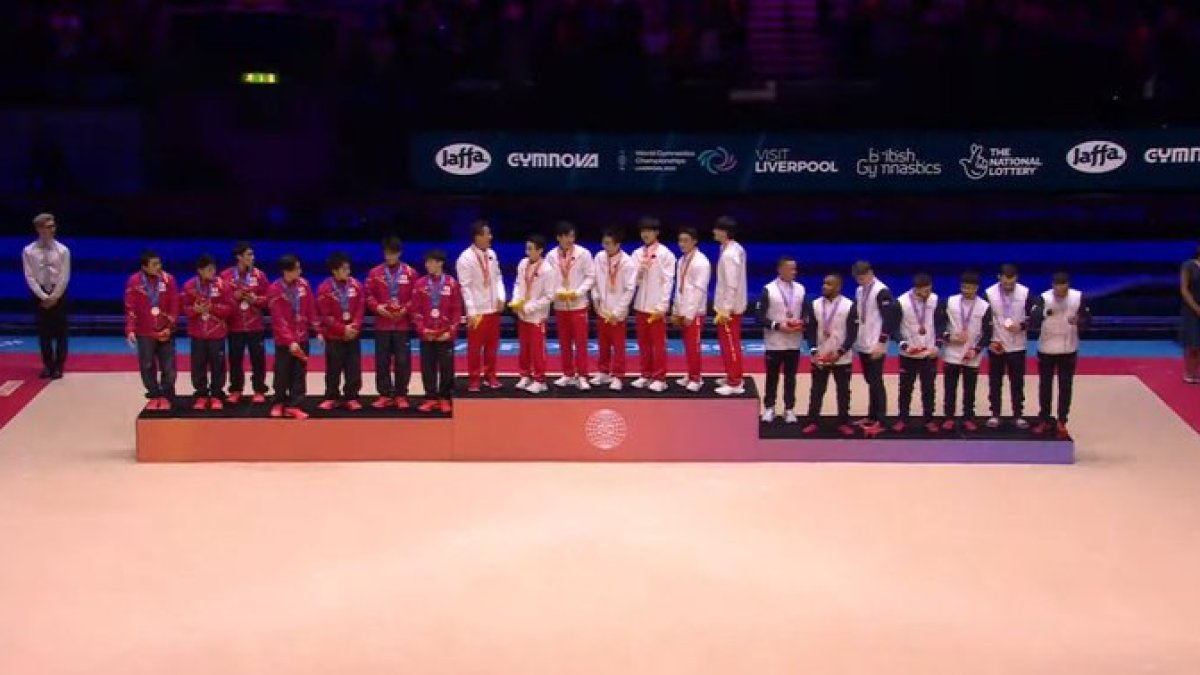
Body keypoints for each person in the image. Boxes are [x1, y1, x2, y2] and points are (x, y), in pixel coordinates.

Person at [1030, 271, 1091, 438]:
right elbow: (1033, 321)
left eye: (1063, 288)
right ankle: (1044, 419)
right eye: (1057, 287)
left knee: (1065, 387)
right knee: (1045, 385)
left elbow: (1088, 320)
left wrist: (1081, 321)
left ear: (1068, 285)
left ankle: (1062, 421)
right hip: (1047, 349)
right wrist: (1041, 314)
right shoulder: (1044, 298)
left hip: (1068, 349)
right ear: (1053, 285)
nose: (1060, 291)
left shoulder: (1078, 298)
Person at [366, 235, 420, 409]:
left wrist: (406, 309)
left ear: (399, 253)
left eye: (393, 253)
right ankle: (384, 394)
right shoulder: (375, 274)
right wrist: (378, 308)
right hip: (382, 325)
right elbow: (368, 296)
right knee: (382, 361)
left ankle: (401, 394)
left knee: (403, 361)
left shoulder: (411, 273)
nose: (389, 257)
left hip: (402, 325)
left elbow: (416, 296)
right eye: (387, 253)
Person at [801, 273, 858, 436]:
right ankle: (812, 421)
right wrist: (813, 350)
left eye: (829, 284)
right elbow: (810, 331)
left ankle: (843, 422)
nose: (824, 286)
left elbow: (852, 333)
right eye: (824, 283)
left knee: (843, 391)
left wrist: (840, 352)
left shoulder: (849, 306)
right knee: (817, 390)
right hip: (820, 356)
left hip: (842, 357)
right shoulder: (815, 305)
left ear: (838, 287)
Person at [124, 250, 179, 410]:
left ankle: (167, 395)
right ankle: (154, 394)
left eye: (159, 263)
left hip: (165, 329)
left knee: (168, 365)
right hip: (145, 331)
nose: (158, 267)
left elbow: (175, 305)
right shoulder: (134, 281)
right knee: (147, 365)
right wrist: (130, 330)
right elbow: (130, 308)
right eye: (154, 264)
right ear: (144, 267)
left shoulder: (169, 280)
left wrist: (170, 327)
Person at [267, 255, 320, 420]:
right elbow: (278, 319)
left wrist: (317, 330)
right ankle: (278, 402)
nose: (300, 271)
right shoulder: (275, 289)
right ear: (286, 271)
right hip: (284, 341)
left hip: (302, 337)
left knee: (299, 373)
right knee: (282, 372)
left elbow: (311, 308)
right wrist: (290, 341)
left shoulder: (304, 285)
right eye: (297, 269)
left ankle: (294, 405)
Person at [939, 271, 993, 432]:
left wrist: (975, 350)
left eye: (970, 288)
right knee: (950, 388)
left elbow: (988, 333)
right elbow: (939, 325)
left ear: (976, 288)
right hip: (951, 353)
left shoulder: (984, 306)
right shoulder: (950, 301)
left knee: (970, 389)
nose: (967, 291)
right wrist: (949, 337)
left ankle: (968, 417)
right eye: (964, 287)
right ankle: (949, 417)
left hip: (972, 354)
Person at [545, 220, 595, 390]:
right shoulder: (551, 256)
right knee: (564, 342)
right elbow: (548, 278)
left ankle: (582, 376)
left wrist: (578, 292)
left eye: (572, 235)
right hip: (560, 305)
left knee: (581, 343)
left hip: (578, 305)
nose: (570, 239)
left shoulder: (584, 254)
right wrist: (558, 291)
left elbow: (590, 277)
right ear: (558, 237)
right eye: (566, 236)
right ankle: (567, 373)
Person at [456, 219, 505, 391]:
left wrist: (501, 297)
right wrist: (471, 312)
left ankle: (490, 376)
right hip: (477, 311)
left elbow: (498, 277)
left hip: (493, 309)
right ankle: (474, 378)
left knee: (492, 346)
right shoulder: (465, 258)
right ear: (477, 237)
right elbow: (465, 287)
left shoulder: (492, 254)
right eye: (487, 234)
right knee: (475, 348)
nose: (490, 237)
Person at [412, 249, 463, 412]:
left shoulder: (451, 283)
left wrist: (451, 332)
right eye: (426, 262)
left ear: (439, 263)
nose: (427, 265)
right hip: (427, 334)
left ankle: (445, 397)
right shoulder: (420, 284)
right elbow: (416, 311)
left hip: (445, 334)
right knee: (427, 367)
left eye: (430, 262)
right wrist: (422, 330)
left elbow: (456, 310)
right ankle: (430, 397)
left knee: (447, 367)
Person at [756, 256, 806, 423]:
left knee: (791, 377)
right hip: (774, 342)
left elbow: (806, 313)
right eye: (791, 269)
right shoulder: (768, 289)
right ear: (780, 270)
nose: (794, 272)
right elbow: (759, 317)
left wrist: (801, 323)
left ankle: (789, 409)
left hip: (794, 341)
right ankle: (769, 408)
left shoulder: (800, 289)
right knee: (772, 376)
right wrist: (777, 325)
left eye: (795, 269)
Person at [985, 264, 1036, 427]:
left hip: (1017, 346)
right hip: (997, 344)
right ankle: (995, 414)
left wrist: (1021, 326)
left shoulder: (1025, 293)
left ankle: (1018, 415)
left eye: (1012, 282)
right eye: (1006, 282)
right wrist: (988, 342)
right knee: (995, 381)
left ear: (1016, 278)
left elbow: (1034, 317)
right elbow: (984, 321)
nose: (1009, 285)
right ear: (999, 277)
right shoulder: (989, 293)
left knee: (1017, 382)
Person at [181, 254, 234, 411]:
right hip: (197, 334)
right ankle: (201, 394)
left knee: (218, 365)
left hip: (216, 333)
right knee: (198, 365)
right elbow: (183, 308)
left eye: (214, 269)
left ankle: (217, 394)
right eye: (209, 269)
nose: (213, 272)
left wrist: (213, 308)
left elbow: (230, 309)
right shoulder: (189, 286)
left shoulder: (222, 285)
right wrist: (194, 310)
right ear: (200, 270)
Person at [220, 242, 270, 404]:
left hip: (255, 325)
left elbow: (268, 299)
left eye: (253, 254)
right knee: (235, 359)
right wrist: (233, 297)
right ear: (239, 257)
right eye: (249, 254)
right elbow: (220, 300)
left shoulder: (259, 275)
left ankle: (259, 390)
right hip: (235, 325)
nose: (252, 258)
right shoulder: (225, 276)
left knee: (258, 359)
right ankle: (235, 390)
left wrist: (255, 299)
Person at [630, 217, 677, 392]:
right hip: (641, 305)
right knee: (643, 343)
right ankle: (645, 374)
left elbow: (668, 281)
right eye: (643, 231)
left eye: (649, 231)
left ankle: (660, 377)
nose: (645, 234)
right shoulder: (636, 254)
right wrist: (638, 273)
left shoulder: (666, 254)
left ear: (656, 233)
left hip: (656, 307)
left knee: (658, 345)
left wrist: (663, 306)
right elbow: (630, 281)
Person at [892, 273, 942, 434]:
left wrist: (938, 346)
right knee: (905, 388)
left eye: (928, 290)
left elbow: (941, 325)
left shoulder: (935, 300)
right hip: (908, 354)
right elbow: (893, 329)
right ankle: (902, 419)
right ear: (914, 289)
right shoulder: (901, 302)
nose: (925, 294)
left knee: (928, 388)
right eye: (922, 291)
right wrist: (904, 345)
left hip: (929, 354)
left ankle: (929, 419)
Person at [851, 260, 898, 431]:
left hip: (876, 344)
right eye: (858, 278)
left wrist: (881, 342)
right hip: (863, 342)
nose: (860, 281)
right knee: (870, 380)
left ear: (870, 273)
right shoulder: (859, 290)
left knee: (876, 381)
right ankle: (871, 416)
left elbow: (889, 318)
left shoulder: (881, 291)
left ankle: (881, 419)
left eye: (863, 277)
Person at [22, 213, 70, 379]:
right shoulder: (28, 251)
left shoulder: (63, 250)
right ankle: (48, 365)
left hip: (59, 293)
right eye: (48, 226)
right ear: (39, 229)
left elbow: (64, 276)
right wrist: (43, 296)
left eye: (53, 226)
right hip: (39, 293)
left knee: (61, 331)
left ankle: (59, 366)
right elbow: (29, 276)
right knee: (44, 332)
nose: (52, 229)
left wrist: (54, 296)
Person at [316, 252, 366, 411]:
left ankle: (352, 397)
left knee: (353, 368)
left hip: (353, 335)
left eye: (348, 268)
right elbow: (325, 315)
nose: (348, 272)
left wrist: (354, 327)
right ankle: (331, 396)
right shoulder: (324, 288)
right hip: (334, 336)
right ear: (334, 271)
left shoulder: (356, 285)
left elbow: (360, 309)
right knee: (333, 368)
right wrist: (342, 328)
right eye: (344, 269)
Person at [590, 228, 637, 391]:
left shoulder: (627, 262)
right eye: (604, 243)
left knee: (618, 346)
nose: (605, 246)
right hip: (602, 309)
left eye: (609, 244)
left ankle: (618, 376)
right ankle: (603, 372)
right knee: (603, 344)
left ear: (618, 244)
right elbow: (594, 280)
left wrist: (618, 311)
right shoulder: (599, 257)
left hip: (618, 312)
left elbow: (630, 289)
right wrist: (595, 299)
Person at [510, 234, 558, 394]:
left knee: (537, 349)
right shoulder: (523, 264)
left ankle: (540, 380)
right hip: (522, 314)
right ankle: (525, 375)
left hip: (537, 316)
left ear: (540, 250)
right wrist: (517, 300)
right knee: (524, 347)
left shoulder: (548, 270)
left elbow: (549, 296)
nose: (527, 251)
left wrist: (530, 307)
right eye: (527, 248)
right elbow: (518, 283)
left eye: (530, 249)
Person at [672, 227, 712, 392]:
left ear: (695, 241)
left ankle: (696, 378)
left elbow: (699, 290)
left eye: (686, 240)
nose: (682, 244)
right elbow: (679, 287)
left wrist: (690, 314)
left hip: (694, 312)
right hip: (683, 310)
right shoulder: (681, 260)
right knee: (687, 346)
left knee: (694, 346)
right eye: (680, 240)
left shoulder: (701, 262)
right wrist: (676, 309)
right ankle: (690, 374)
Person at [712, 216, 748, 396]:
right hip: (727, 308)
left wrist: (726, 309)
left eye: (716, 229)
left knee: (731, 345)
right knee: (728, 344)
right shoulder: (730, 248)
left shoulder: (730, 254)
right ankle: (731, 375)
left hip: (729, 310)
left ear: (724, 232)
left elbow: (732, 284)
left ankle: (735, 382)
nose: (713, 232)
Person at [1180, 244, 1200, 384]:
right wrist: (1196, 308)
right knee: (1192, 343)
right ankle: (1189, 372)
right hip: (1192, 308)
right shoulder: (1188, 265)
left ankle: (1196, 372)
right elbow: (1184, 289)